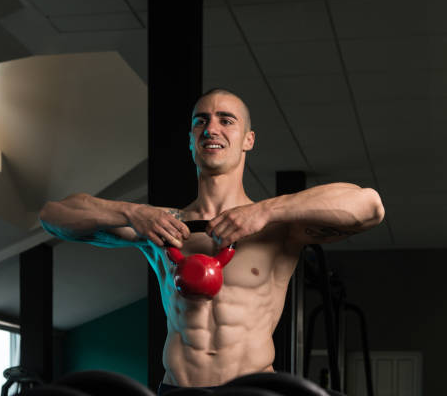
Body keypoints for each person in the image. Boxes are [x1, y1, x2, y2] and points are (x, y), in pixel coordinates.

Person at [39, 88, 385, 394]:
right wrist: (131, 212)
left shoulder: (279, 227)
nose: (211, 128)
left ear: (248, 139)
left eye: (226, 120)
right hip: (178, 389)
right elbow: (53, 216)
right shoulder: (160, 226)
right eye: (200, 121)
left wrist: (265, 211)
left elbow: (368, 205)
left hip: (253, 391)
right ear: (191, 139)